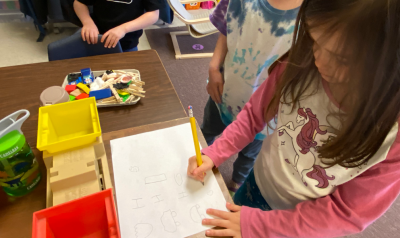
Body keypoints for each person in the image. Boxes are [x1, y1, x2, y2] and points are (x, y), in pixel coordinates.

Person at [188, 0, 400, 237]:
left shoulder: (392, 137)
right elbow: (254, 114)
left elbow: (346, 212)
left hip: (302, 224)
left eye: (341, 59)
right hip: (258, 182)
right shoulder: (302, 61)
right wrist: (217, 151)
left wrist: (259, 226)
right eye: (314, 40)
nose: (318, 59)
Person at [203, 0, 303, 195]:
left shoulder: (315, 15)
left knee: (248, 156)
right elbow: (227, 28)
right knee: (207, 131)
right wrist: (214, 67)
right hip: (224, 93)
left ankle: (236, 183)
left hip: (265, 112)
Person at [73, 0, 164, 52]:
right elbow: (79, 2)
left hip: (128, 41)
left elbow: (153, 14)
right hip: (96, 38)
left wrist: (123, 29)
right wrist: (87, 22)